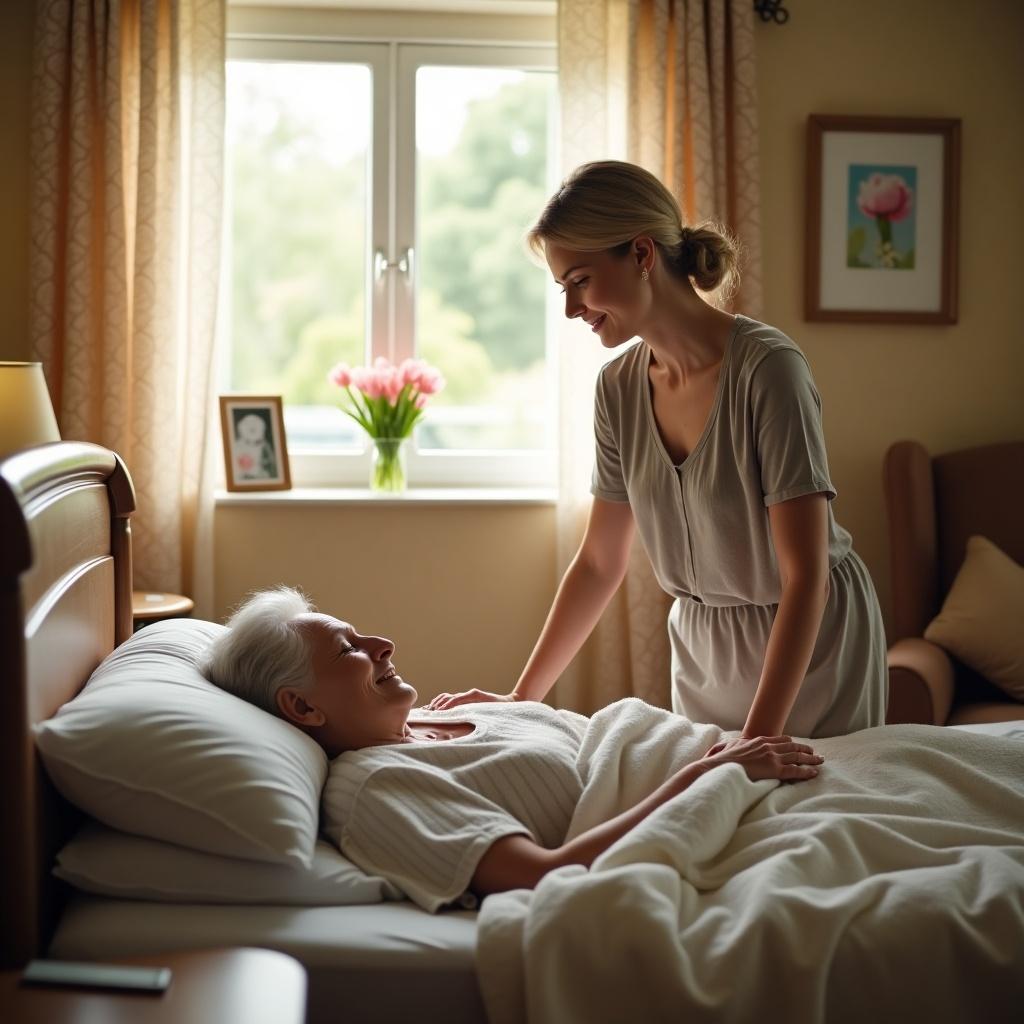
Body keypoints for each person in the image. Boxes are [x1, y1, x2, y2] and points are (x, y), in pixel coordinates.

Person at [428, 160, 887, 740]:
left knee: (811, 812)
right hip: (701, 645)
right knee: (717, 815)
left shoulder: (769, 370)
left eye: (580, 280)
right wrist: (520, 701)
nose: (571, 309)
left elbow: (806, 573)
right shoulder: (617, 389)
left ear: (642, 255)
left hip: (810, 640)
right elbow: (599, 562)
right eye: (562, 287)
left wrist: (757, 738)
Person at [201, 587, 823, 911]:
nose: (383, 642)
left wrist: (516, 708)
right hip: (727, 798)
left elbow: (585, 744)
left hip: (725, 758)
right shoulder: (376, 787)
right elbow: (543, 875)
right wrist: (710, 776)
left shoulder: (435, 715)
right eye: (349, 649)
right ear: (303, 709)